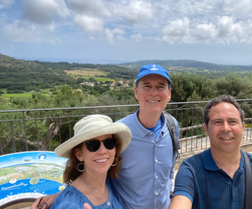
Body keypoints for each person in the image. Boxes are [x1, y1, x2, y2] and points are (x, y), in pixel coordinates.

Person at [31, 64, 179, 209]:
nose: (154, 92)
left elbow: (170, 169)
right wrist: (65, 196)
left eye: (160, 86)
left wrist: (171, 193)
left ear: (169, 94)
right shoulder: (120, 133)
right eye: (146, 86)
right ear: (136, 92)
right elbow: (96, 168)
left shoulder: (172, 126)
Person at [49, 114, 131, 209]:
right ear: (79, 154)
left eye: (109, 143)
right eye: (93, 145)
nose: (103, 151)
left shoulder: (108, 185)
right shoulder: (71, 204)